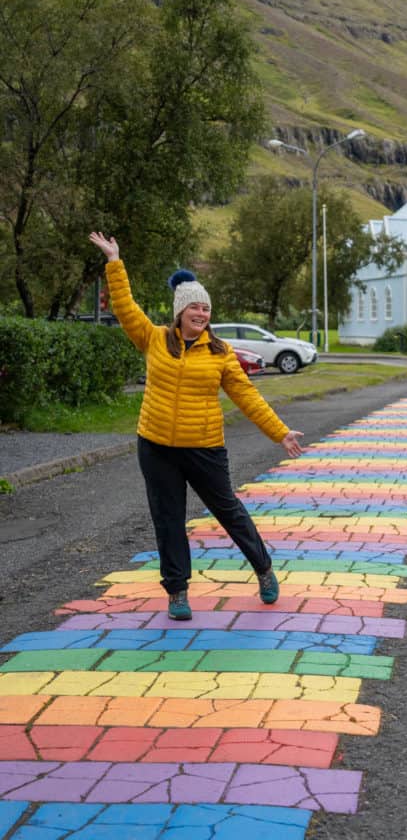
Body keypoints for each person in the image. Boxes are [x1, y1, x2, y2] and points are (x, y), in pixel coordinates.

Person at [89, 231, 304, 621]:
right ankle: (177, 592)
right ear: (180, 311)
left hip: (204, 448)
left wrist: (280, 431)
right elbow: (125, 307)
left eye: (206, 309)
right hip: (156, 448)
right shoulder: (153, 339)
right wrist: (114, 262)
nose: (201, 314)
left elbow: (248, 397)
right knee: (168, 519)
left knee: (229, 512)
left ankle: (264, 569)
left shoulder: (221, 353)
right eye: (194, 308)